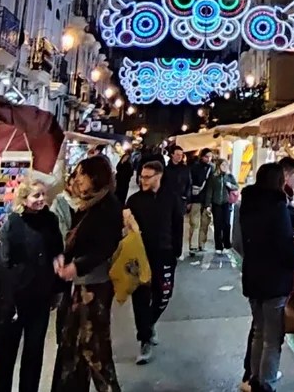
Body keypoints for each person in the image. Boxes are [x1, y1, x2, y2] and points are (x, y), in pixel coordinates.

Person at [51, 155, 124, 392]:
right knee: (71, 347)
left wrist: (77, 266)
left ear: (94, 177)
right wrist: (64, 256)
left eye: (82, 173)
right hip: (81, 286)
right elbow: (77, 240)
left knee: (95, 350)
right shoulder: (88, 204)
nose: (78, 179)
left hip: (95, 288)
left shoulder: (107, 206)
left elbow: (104, 247)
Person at [0, 177, 64, 392]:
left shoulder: (50, 220)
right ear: (24, 198)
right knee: (5, 353)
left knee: (33, 352)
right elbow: (5, 261)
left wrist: (57, 288)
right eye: (36, 195)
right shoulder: (13, 223)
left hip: (40, 296)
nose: (41, 199)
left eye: (43, 195)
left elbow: (57, 251)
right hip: (14, 299)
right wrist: (6, 299)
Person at [240, 162, 294, 392]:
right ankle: (266, 384)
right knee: (273, 336)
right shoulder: (277, 206)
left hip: (252, 275)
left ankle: (255, 377)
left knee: (259, 330)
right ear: (278, 180)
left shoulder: (248, 203)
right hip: (274, 278)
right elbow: (284, 242)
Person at [125, 159, 176, 364]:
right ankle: (144, 338)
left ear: (159, 176)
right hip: (140, 254)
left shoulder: (171, 198)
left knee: (164, 293)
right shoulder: (134, 200)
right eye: (142, 176)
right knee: (141, 296)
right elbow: (127, 228)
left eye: (148, 177)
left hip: (165, 253)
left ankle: (148, 323)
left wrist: (177, 250)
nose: (143, 180)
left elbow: (177, 223)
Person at [162, 147, 192, 262]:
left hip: (180, 202)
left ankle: (178, 252)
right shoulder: (166, 169)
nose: (179, 156)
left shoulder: (185, 169)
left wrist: (187, 199)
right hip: (167, 202)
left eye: (181, 154)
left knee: (179, 227)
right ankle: (168, 250)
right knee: (167, 227)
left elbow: (189, 184)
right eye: (177, 154)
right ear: (172, 155)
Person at [207, 154, 238, 253]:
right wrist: (208, 204)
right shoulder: (213, 177)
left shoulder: (229, 176)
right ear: (219, 166)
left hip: (226, 203)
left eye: (226, 165)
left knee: (226, 224)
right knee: (217, 224)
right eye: (223, 165)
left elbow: (236, 186)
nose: (225, 167)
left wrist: (230, 185)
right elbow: (209, 191)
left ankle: (227, 244)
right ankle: (218, 246)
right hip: (216, 203)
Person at [186, 151, 213, 255]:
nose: (208, 159)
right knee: (195, 223)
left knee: (205, 223)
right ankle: (193, 246)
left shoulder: (211, 168)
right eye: (206, 156)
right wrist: (189, 200)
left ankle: (201, 244)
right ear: (202, 157)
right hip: (196, 199)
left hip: (206, 200)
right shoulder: (194, 168)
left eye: (210, 157)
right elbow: (190, 184)